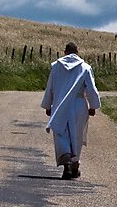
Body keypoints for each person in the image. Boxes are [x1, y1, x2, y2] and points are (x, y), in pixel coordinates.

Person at [41, 42, 101, 179]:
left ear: (65, 52)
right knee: (76, 135)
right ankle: (74, 164)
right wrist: (93, 106)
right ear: (77, 52)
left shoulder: (56, 66)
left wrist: (48, 105)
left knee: (61, 132)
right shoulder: (85, 68)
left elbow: (50, 87)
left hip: (60, 103)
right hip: (79, 104)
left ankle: (67, 164)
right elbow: (91, 89)